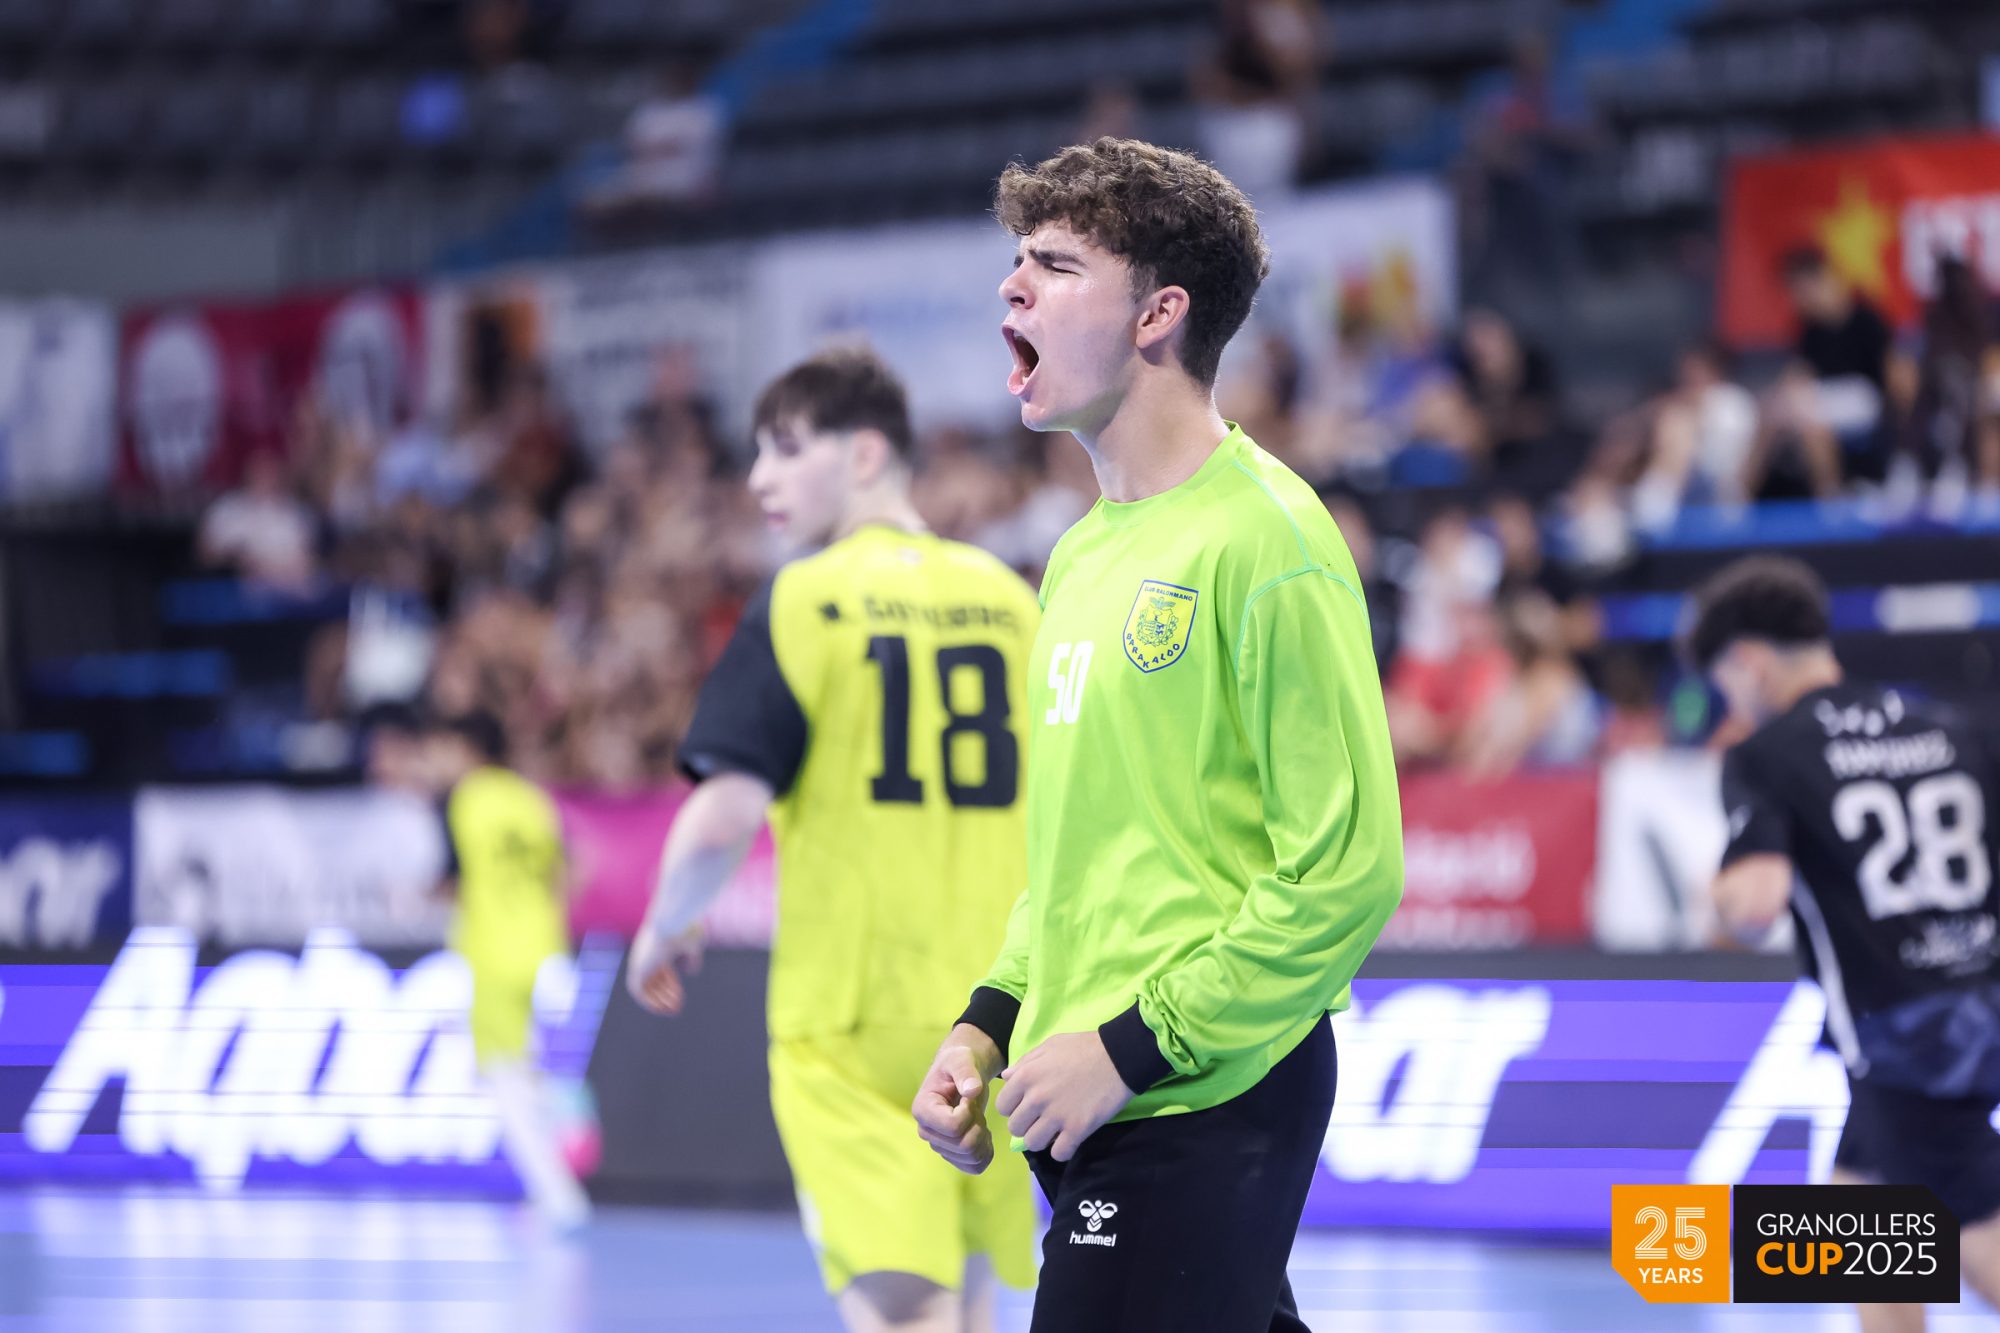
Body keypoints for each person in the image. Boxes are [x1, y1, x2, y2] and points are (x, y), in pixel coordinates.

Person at [910, 138, 1403, 1332]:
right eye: (1017, 261)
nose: (1011, 286)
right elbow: (1078, 863)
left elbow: (1345, 874)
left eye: (1054, 265)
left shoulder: (1267, 538)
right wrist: (989, 1021)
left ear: (1156, 315)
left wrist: (1129, 1048)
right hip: (1084, 1093)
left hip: (1199, 1095)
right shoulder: (1079, 555)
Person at [625, 348, 1041, 1333]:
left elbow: (725, 811)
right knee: (969, 1310)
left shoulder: (804, 598)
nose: (758, 478)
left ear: (864, 454)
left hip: (851, 1021)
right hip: (994, 1013)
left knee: (904, 1317)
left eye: (784, 448)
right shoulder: (1011, 599)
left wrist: (663, 927)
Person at [1688, 556, 2000, 1331]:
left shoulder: (1768, 754)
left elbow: (1754, 906)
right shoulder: (1946, 725)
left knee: (1975, 1221)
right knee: (1859, 1202)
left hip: (1901, 1031)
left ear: (1748, 661)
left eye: (1726, 683)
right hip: (1981, 999)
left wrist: (1713, 896)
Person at [429, 710, 591, 1231]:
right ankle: (570, 1116)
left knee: (505, 1079)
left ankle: (558, 1195)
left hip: (494, 957)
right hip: (546, 949)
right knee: (534, 1068)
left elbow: (452, 879)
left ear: (466, 749)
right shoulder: (530, 798)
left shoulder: (464, 799)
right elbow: (570, 870)